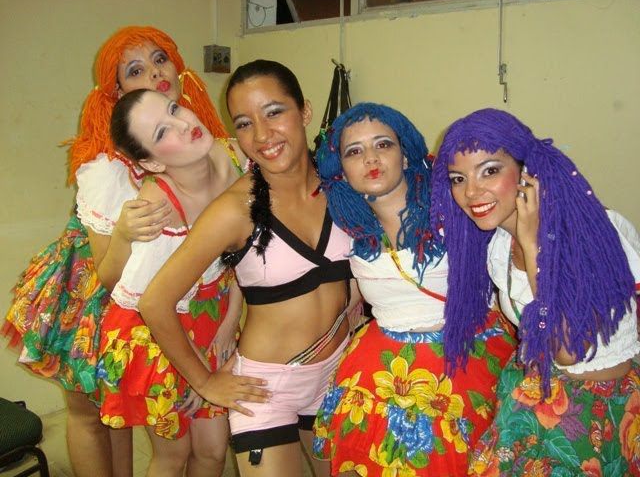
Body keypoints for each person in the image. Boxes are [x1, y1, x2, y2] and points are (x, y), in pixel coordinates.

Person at [2, 26, 230, 477]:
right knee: (91, 412)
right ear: (117, 90)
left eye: (160, 59)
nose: (155, 74)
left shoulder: (204, 139)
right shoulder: (105, 166)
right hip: (95, 287)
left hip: (174, 290)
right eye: (135, 70)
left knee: (122, 417)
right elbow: (108, 269)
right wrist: (124, 233)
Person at [139, 59, 358, 477]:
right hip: (265, 389)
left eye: (274, 112)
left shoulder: (343, 186)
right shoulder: (234, 210)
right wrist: (205, 382)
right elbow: (155, 302)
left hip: (338, 373)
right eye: (244, 123)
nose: (261, 135)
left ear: (305, 111)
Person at [430, 108, 640, 476]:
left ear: (526, 171)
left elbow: (570, 351)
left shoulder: (588, 231)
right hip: (536, 394)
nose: (471, 192)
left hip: (594, 415)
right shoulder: (498, 245)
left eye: (489, 171)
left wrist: (533, 247)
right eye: (458, 178)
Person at [311, 103, 516, 476]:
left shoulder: (454, 205)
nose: (370, 159)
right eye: (354, 151)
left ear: (405, 154)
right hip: (383, 369)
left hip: (466, 361)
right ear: (342, 169)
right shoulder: (346, 226)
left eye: (383, 144)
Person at [97, 88, 258, 477]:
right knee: (174, 453)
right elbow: (142, 301)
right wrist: (197, 374)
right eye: (162, 131)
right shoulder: (157, 208)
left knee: (213, 449)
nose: (184, 124)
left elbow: (247, 255)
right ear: (152, 162)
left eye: (174, 109)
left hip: (211, 312)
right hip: (154, 330)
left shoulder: (234, 155)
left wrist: (229, 322)